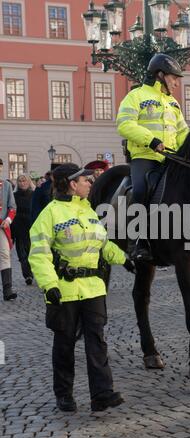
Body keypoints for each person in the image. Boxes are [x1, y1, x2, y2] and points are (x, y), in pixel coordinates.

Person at [29, 163, 135, 412]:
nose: (90, 183)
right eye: (85, 180)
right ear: (71, 184)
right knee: (64, 344)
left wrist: (125, 260)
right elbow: (39, 254)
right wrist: (49, 285)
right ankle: (64, 394)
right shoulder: (50, 214)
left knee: (97, 341)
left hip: (94, 289)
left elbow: (102, 244)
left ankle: (102, 394)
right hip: (63, 290)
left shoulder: (89, 211)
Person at [116, 53, 190, 261]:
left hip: (170, 158)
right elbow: (124, 124)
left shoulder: (173, 103)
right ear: (160, 75)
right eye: (174, 77)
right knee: (140, 190)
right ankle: (136, 242)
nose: (176, 83)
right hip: (145, 156)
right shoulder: (136, 96)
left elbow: (183, 132)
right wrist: (152, 140)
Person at [11, 174, 35, 285]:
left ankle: (32, 272)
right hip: (18, 227)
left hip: (32, 227)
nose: (22, 183)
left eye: (24, 181)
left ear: (28, 181)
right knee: (22, 254)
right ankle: (27, 275)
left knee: (32, 252)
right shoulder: (14, 195)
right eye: (20, 181)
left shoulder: (34, 195)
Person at [0, 158, 17, 300]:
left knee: (5, 255)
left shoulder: (6, 185)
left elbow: (12, 207)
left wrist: (8, 219)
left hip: (2, 226)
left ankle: (7, 289)